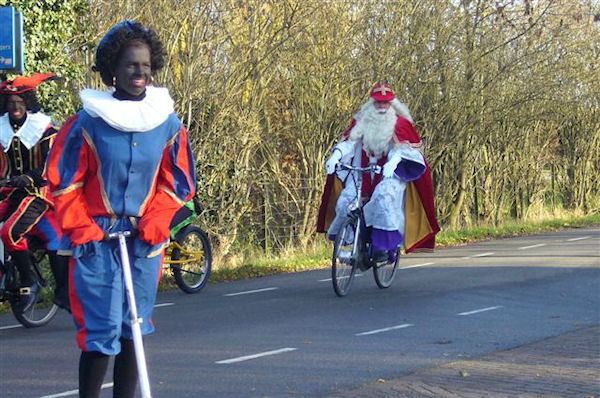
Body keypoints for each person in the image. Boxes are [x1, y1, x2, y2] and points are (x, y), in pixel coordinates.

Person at [46, 20, 196, 398]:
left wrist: (159, 219)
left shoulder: (168, 124)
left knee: (135, 327)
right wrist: (84, 228)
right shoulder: (87, 123)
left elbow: (177, 182)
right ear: (113, 68)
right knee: (101, 332)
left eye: (145, 65)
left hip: (145, 242)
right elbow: (64, 184)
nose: (139, 72)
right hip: (96, 242)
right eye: (131, 65)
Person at [317, 83, 439, 261]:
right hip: (362, 171)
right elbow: (349, 143)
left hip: (390, 174)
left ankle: (384, 247)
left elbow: (410, 150)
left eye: (386, 103)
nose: (382, 107)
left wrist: (395, 160)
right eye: (378, 103)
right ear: (372, 103)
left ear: (392, 104)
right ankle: (352, 244)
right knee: (346, 200)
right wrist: (336, 155)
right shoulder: (360, 122)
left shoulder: (401, 124)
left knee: (383, 197)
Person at [0, 72, 70, 312]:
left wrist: (28, 177)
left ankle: (29, 284)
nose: (15, 106)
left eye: (20, 102)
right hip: (9, 192)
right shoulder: (2, 130)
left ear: (28, 103)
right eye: (10, 102)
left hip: (38, 194)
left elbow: (51, 166)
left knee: (10, 231)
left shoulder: (45, 129)